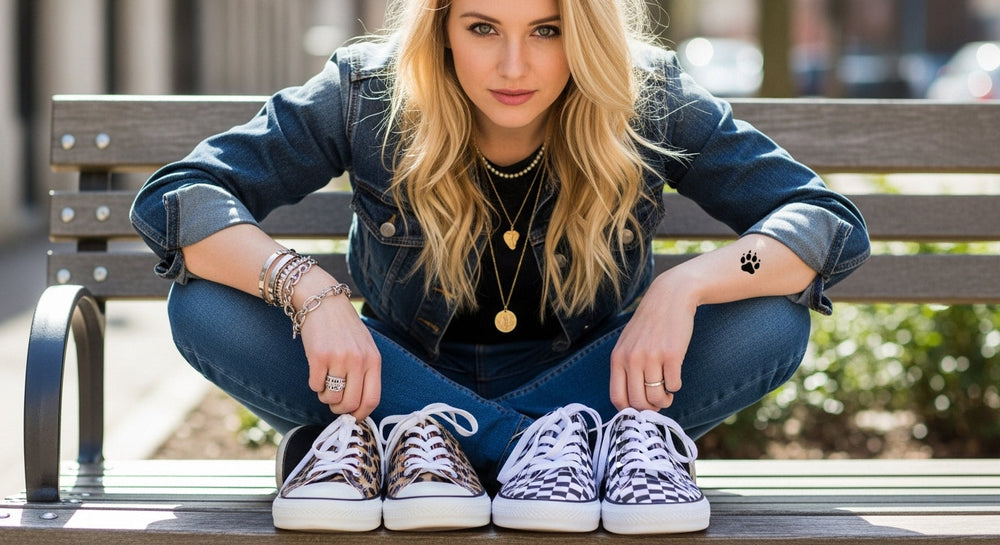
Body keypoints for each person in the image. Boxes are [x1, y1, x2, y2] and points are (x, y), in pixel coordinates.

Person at [130, 0, 870, 535]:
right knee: (205, 307)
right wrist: (309, 290)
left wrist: (692, 282)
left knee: (769, 318)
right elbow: (180, 198)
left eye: (546, 30)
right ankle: (539, 458)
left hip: (586, 381)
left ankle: (449, 457)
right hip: (400, 381)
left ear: (582, 30)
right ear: (444, 26)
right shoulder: (366, 93)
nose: (514, 65)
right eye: (483, 27)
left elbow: (820, 220)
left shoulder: (646, 97)